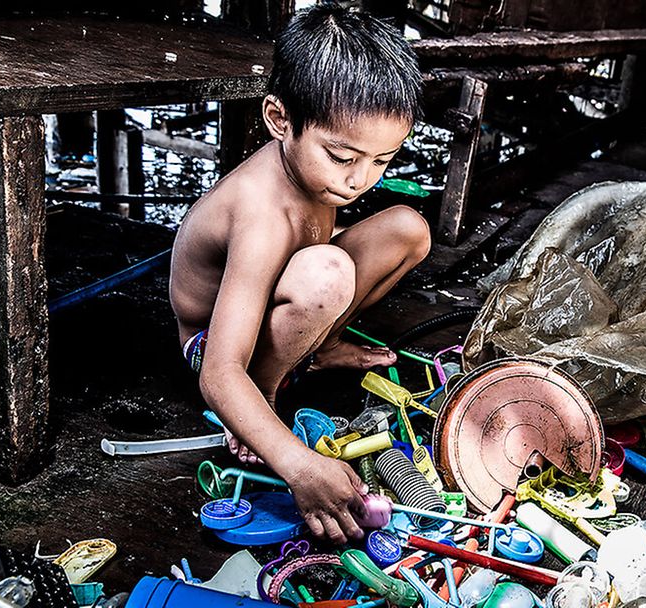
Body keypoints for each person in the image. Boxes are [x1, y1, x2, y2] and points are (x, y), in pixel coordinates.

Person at [168, 5, 430, 545]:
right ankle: (255, 409)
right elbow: (217, 372)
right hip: (215, 343)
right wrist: (296, 463)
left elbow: (341, 226)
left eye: (382, 161)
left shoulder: (321, 175)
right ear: (280, 119)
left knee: (409, 228)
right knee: (327, 273)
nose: (361, 180)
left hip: (280, 295)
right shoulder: (262, 214)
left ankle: (320, 345)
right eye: (341, 156)